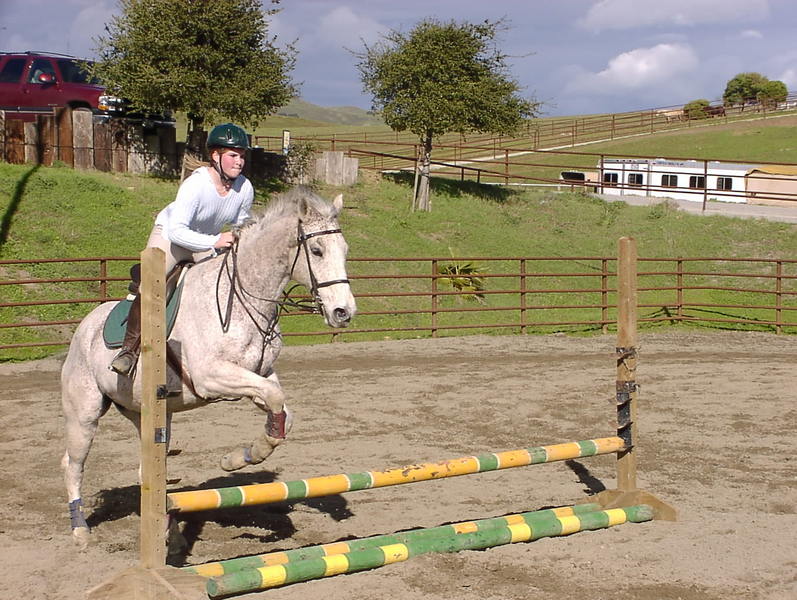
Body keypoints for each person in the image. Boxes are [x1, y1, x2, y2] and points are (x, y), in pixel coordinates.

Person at [110, 123, 254, 376]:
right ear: (215, 156)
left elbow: (241, 225)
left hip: (205, 241)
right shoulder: (195, 184)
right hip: (170, 239)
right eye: (233, 155)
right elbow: (177, 231)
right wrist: (215, 242)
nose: (239, 161)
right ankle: (128, 351)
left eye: (242, 155)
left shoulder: (245, 188)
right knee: (152, 286)